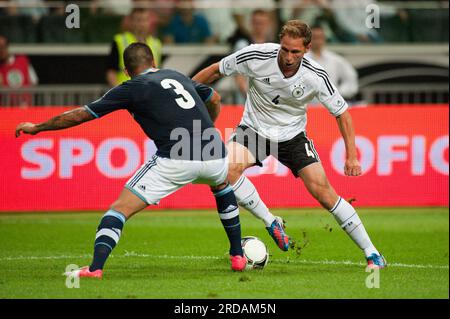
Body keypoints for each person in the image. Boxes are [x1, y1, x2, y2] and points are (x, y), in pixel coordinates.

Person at [15, 42, 247, 277]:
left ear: (126, 71)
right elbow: (215, 98)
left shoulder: (130, 87)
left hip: (176, 159)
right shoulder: (177, 76)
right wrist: (207, 128)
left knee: (118, 210)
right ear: (154, 63)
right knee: (221, 186)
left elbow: (80, 115)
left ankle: (95, 268)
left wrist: (37, 127)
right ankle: (238, 255)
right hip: (215, 153)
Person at [193, 20, 387, 268]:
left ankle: (372, 253)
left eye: (295, 51)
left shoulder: (316, 76)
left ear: (306, 49)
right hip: (254, 130)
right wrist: (185, 91)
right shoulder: (256, 55)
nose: (287, 56)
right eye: (284, 49)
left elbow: (342, 114)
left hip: (293, 137)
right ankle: (271, 221)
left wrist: (352, 155)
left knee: (324, 194)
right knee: (223, 171)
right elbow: (215, 70)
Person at [106, 8, 162, 87]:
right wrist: (119, 92)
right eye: (139, 20)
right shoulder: (119, 40)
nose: (142, 24)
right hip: (126, 91)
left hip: (149, 93)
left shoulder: (156, 43)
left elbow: (157, 71)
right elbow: (111, 72)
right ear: (131, 22)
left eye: (145, 20)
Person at [305, 25, 358, 101]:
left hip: (331, 106)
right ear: (308, 40)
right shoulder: (301, 59)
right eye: (314, 38)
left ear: (324, 39)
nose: (317, 41)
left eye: (320, 37)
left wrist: (337, 93)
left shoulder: (335, 59)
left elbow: (351, 78)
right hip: (307, 107)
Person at [0, 34, 38, 106]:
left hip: (25, 108)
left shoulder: (22, 60)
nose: (0, 51)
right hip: (5, 110)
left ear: (7, 47)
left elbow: (34, 82)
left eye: (2, 47)